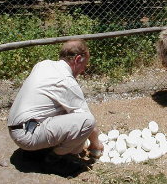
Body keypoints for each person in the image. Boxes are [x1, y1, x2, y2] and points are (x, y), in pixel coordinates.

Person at [7, 39, 103, 174]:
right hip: (27, 135)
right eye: (84, 65)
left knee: (66, 114)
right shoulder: (65, 80)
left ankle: (36, 152)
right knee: (87, 121)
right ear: (78, 59)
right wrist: (96, 144)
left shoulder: (43, 65)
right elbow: (88, 122)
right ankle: (53, 160)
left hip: (17, 128)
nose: (83, 70)